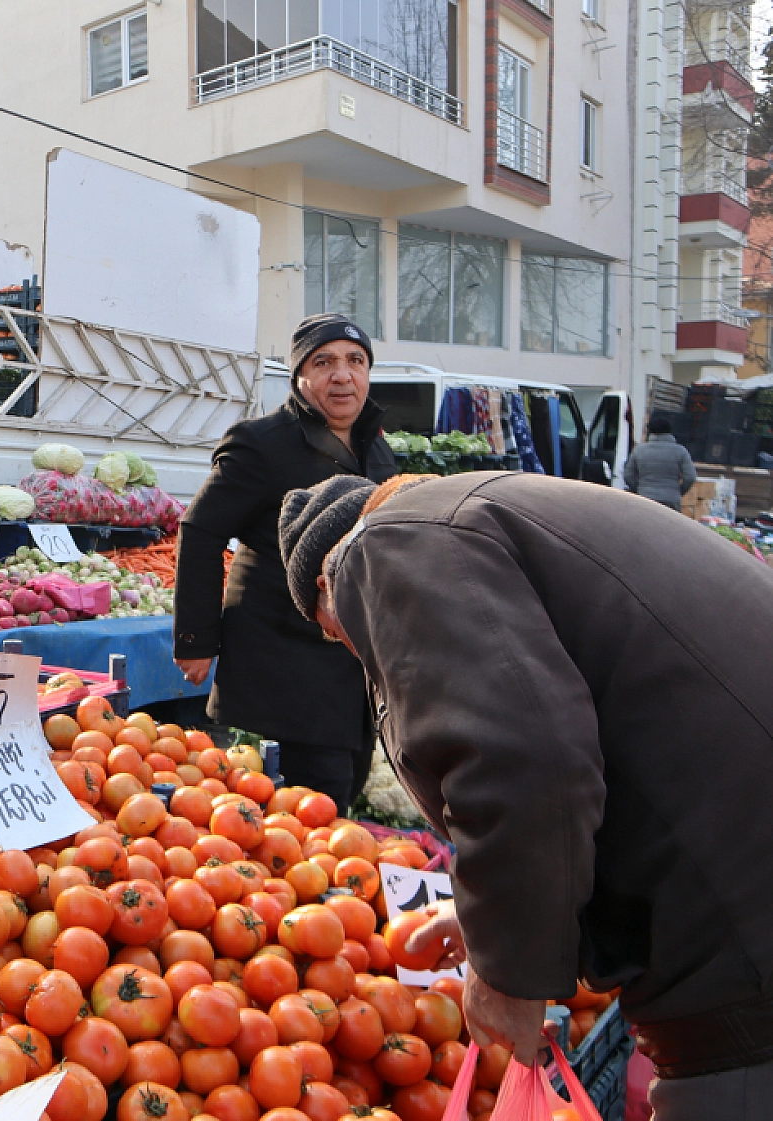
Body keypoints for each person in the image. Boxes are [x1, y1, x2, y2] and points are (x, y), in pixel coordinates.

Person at [280, 469, 773, 1118]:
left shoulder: (389, 544)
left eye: (336, 634)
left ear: (328, 584)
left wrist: (507, 969)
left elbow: (525, 758)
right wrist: (498, 909)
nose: (355, 651)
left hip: (741, 938)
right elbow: (581, 730)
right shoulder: (483, 512)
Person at [171, 313, 396, 813]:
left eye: (355, 361)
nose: (343, 375)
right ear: (299, 376)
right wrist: (196, 639)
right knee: (303, 812)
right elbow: (200, 530)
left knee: (344, 791)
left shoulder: (376, 448)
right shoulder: (262, 442)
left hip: (348, 667)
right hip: (278, 664)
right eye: (325, 362)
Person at [624, 414, 697, 511]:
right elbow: (690, 477)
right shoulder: (681, 451)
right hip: (671, 499)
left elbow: (628, 476)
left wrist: (639, 489)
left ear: (650, 431)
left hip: (645, 498)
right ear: (670, 431)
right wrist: (678, 491)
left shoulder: (639, 450)